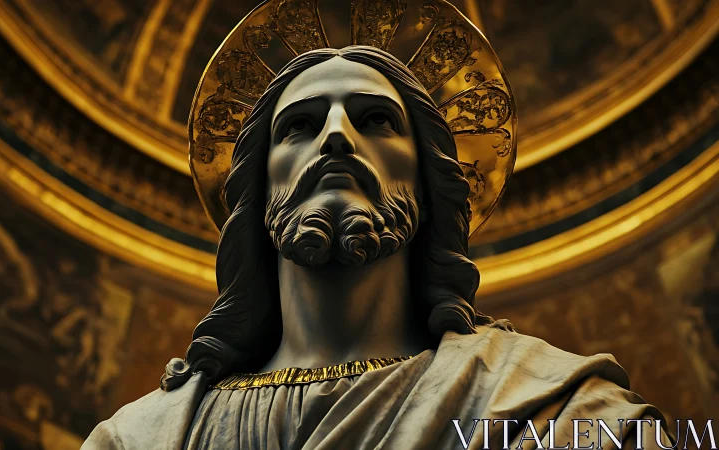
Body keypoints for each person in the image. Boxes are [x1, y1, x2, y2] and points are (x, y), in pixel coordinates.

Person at [82, 46, 671, 450]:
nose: (337, 135)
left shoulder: (550, 408)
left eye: (377, 120)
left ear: (426, 179)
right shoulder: (142, 437)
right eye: (299, 127)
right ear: (259, 189)